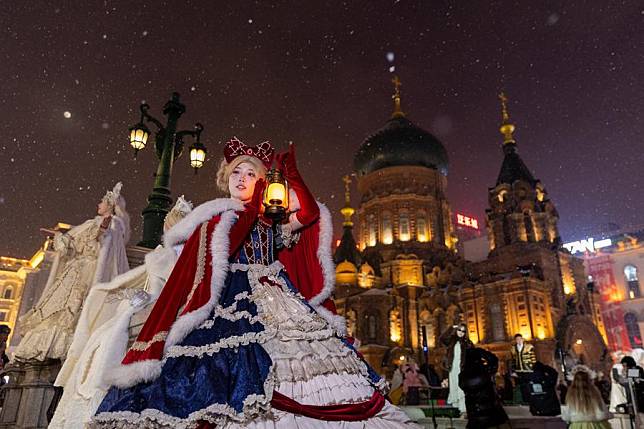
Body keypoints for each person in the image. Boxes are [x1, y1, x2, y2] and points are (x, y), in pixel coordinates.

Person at [91, 139, 420, 428]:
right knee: (223, 366)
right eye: (236, 173)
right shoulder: (217, 215)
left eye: (251, 174)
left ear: (262, 182)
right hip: (230, 297)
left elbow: (306, 216)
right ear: (225, 179)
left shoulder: (270, 216)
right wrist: (254, 207)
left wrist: (292, 176)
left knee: (303, 361)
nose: (242, 179)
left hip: (278, 296)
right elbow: (228, 244)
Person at [49, 197, 193, 429]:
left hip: (175, 315)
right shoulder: (165, 256)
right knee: (108, 336)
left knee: (107, 338)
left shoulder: (188, 257)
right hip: (166, 311)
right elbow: (156, 293)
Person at [13, 182, 130, 362]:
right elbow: (72, 246)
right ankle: (42, 351)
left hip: (87, 272)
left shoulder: (113, 224)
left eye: (102, 202)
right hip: (74, 271)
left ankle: (65, 350)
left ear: (110, 205)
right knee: (57, 307)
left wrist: (102, 231)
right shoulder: (91, 223)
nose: (98, 205)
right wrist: (58, 236)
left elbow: (107, 244)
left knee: (74, 309)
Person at [458, 347, 510, 429]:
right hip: (490, 415)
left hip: (474, 417)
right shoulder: (485, 371)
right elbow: (494, 360)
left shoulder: (462, 375)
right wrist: (481, 351)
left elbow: (461, 386)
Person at [440, 323, 473, 413]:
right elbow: (442, 338)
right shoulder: (451, 341)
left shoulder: (468, 343)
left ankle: (463, 409)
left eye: (463, 331)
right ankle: (458, 407)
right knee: (454, 386)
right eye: (459, 330)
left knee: (462, 387)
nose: (461, 332)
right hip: (453, 368)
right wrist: (451, 327)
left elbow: (472, 356)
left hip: (462, 368)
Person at [510, 333, 536, 404]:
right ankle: (525, 400)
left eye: (519, 339)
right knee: (521, 386)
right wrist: (513, 371)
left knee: (529, 385)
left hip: (528, 369)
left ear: (522, 339)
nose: (518, 340)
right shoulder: (513, 349)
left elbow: (533, 358)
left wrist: (534, 368)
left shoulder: (529, 347)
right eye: (517, 339)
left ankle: (532, 400)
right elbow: (513, 361)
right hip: (519, 371)